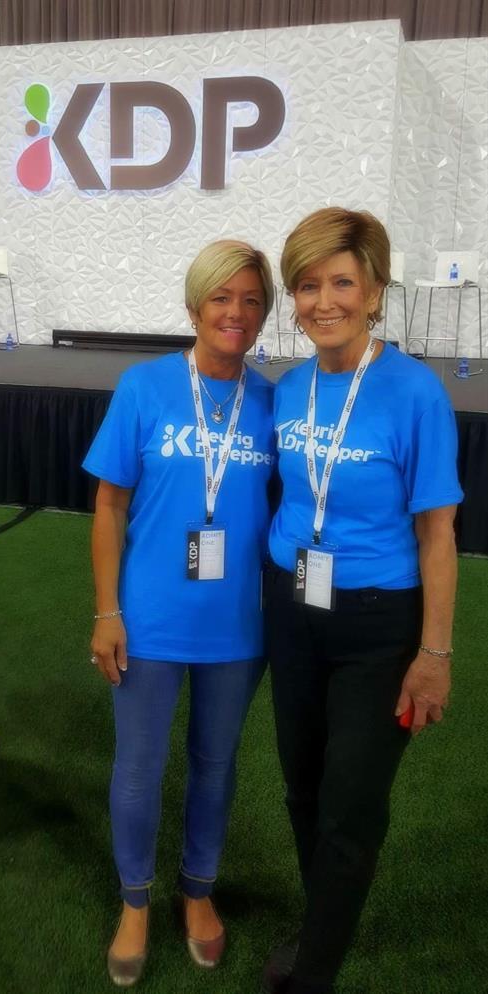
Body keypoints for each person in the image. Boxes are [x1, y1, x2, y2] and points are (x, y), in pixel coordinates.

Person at [261, 207, 463, 994]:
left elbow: (437, 536)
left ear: (374, 290)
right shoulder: (289, 388)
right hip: (291, 608)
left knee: (349, 801)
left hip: (379, 623)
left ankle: (312, 973)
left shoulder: (414, 393)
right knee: (300, 785)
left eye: (340, 282)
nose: (322, 301)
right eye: (306, 285)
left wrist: (434, 655)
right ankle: (324, 923)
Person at [82, 239, 275, 988]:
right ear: (194, 304)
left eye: (252, 300)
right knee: (138, 768)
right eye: (222, 298)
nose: (237, 313)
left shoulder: (273, 401)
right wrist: (106, 610)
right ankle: (135, 903)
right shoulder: (144, 387)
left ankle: (197, 892)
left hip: (236, 626)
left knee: (215, 766)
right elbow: (108, 504)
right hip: (149, 619)